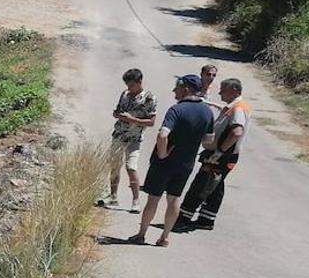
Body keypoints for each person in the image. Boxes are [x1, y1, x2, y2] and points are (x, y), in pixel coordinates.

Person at [128, 74, 215, 247]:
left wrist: (162, 154)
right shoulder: (207, 112)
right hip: (186, 164)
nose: (174, 90)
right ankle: (165, 237)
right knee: (174, 199)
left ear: (186, 88)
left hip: (164, 163)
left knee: (153, 199)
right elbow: (208, 141)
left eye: (177, 87)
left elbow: (163, 135)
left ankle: (141, 234)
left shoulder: (177, 110)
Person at [176, 78, 251, 231]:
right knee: (215, 186)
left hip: (222, 156)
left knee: (201, 185)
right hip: (224, 155)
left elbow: (236, 132)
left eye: (223, 89)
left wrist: (220, 152)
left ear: (234, 91)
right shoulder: (234, 106)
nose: (219, 92)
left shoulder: (238, 108)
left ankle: (183, 218)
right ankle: (206, 219)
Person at [97, 68, 156, 212]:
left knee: (131, 167)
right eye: (127, 85)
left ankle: (136, 200)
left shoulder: (149, 98)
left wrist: (132, 119)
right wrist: (117, 114)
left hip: (134, 138)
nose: (129, 88)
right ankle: (113, 197)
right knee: (115, 167)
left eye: (131, 85)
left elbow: (151, 121)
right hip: (118, 135)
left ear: (139, 82)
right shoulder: (125, 94)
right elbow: (118, 110)